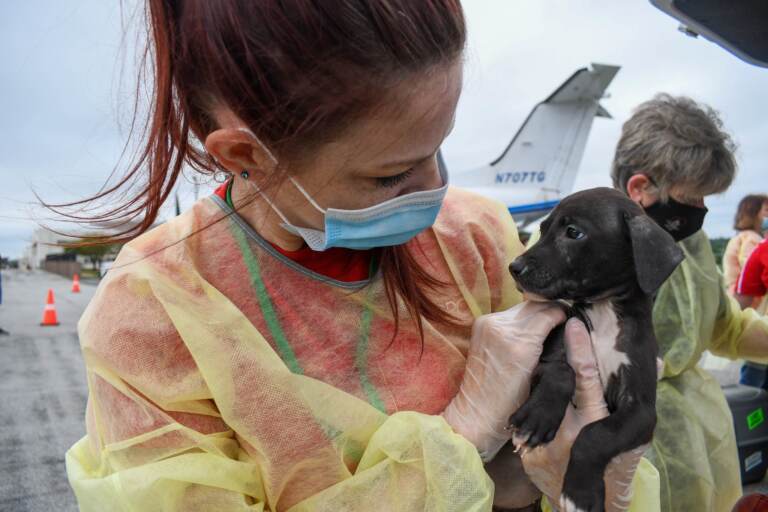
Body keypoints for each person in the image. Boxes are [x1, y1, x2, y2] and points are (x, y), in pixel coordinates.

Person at [62, 2, 660, 512]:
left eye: (440, 149)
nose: (433, 190)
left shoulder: (476, 236)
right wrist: (466, 438)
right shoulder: (153, 314)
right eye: (391, 175)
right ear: (247, 153)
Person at [610, 94, 768, 512]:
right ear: (641, 188)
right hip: (613, 450)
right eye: (693, 199)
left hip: (697, 440)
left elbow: (724, 327)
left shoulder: (691, 244)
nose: (701, 211)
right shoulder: (573, 245)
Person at [723, 195, 768, 388]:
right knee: (756, 366)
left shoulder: (743, 238)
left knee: (755, 365)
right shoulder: (753, 240)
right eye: (766, 211)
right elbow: (749, 266)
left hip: (742, 300)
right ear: (754, 214)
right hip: (756, 307)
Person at [724, 195, 768, 297]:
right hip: (749, 298)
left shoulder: (741, 236)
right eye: (766, 210)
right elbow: (750, 268)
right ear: (752, 214)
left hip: (736, 294)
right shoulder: (752, 238)